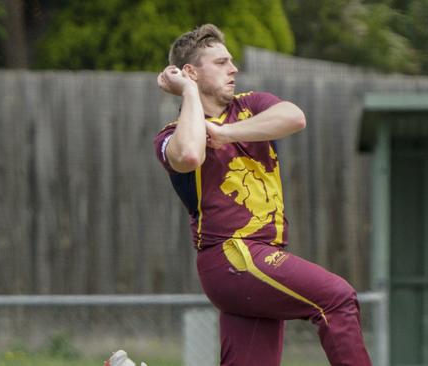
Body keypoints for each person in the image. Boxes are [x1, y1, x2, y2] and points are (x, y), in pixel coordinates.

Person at [148, 24, 371, 366]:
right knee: (337, 299)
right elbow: (191, 155)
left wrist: (225, 133)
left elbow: (294, 117)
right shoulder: (169, 137)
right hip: (234, 256)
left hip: (257, 260)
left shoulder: (250, 106)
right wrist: (190, 94)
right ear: (191, 73)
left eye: (232, 61)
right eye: (221, 62)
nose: (233, 69)